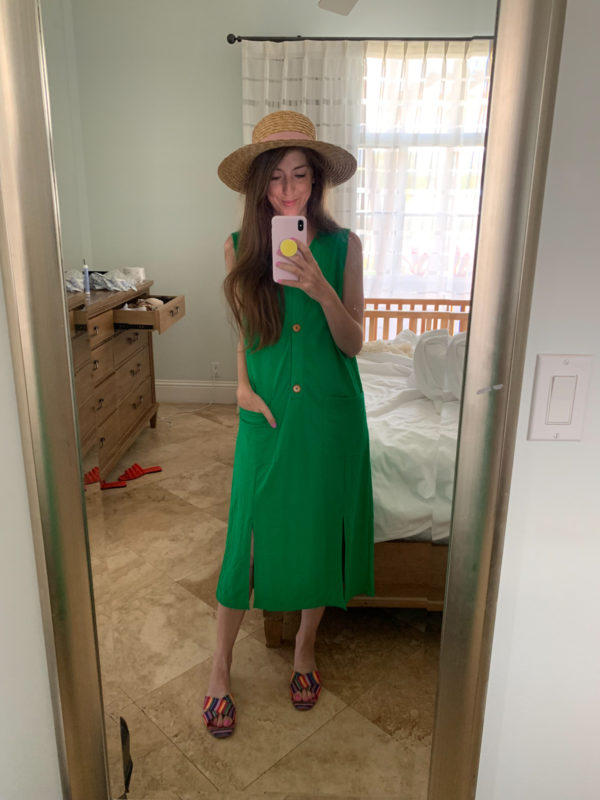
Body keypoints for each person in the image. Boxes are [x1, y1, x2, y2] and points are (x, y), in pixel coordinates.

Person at [202, 111, 374, 738]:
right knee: (244, 536)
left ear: (317, 181)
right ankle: (218, 667)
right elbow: (246, 330)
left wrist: (323, 289)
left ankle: (304, 648)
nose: (289, 190)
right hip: (266, 410)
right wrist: (241, 390)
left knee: (316, 532)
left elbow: (354, 343)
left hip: (330, 414)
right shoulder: (237, 246)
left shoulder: (344, 245)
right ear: (259, 188)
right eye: (276, 179)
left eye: (300, 176)